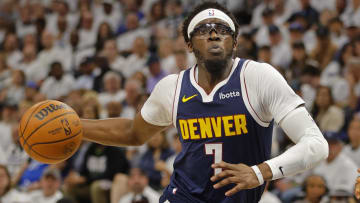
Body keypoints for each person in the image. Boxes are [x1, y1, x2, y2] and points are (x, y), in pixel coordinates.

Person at [81, 2, 328, 202]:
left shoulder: (258, 77)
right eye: (203, 30)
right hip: (181, 196)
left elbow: (316, 144)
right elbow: (133, 133)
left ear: (235, 42)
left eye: (222, 29)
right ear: (189, 44)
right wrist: (76, 127)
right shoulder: (172, 87)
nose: (213, 34)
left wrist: (260, 171)